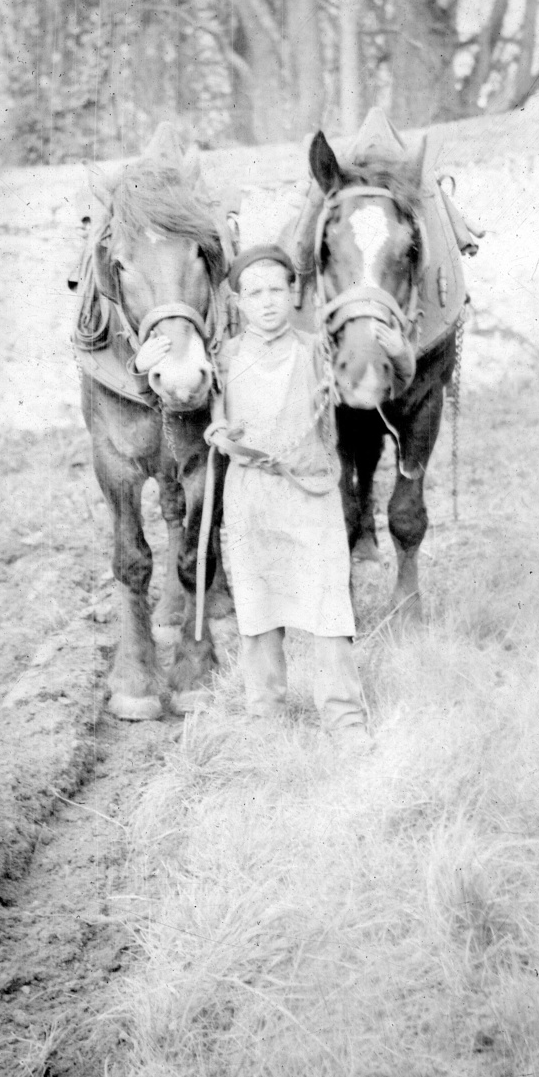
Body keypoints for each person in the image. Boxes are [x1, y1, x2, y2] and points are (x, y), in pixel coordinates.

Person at [137, 244, 370, 744]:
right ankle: (266, 722)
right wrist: (147, 371)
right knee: (259, 613)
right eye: (254, 293)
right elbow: (184, 398)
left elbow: (365, 382)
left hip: (311, 492)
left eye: (276, 290)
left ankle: (346, 720)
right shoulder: (222, 358)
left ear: (294, 293)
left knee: (330, 611)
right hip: (250, 499)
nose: (267, 302)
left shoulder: (319, 350)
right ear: (238, 303)